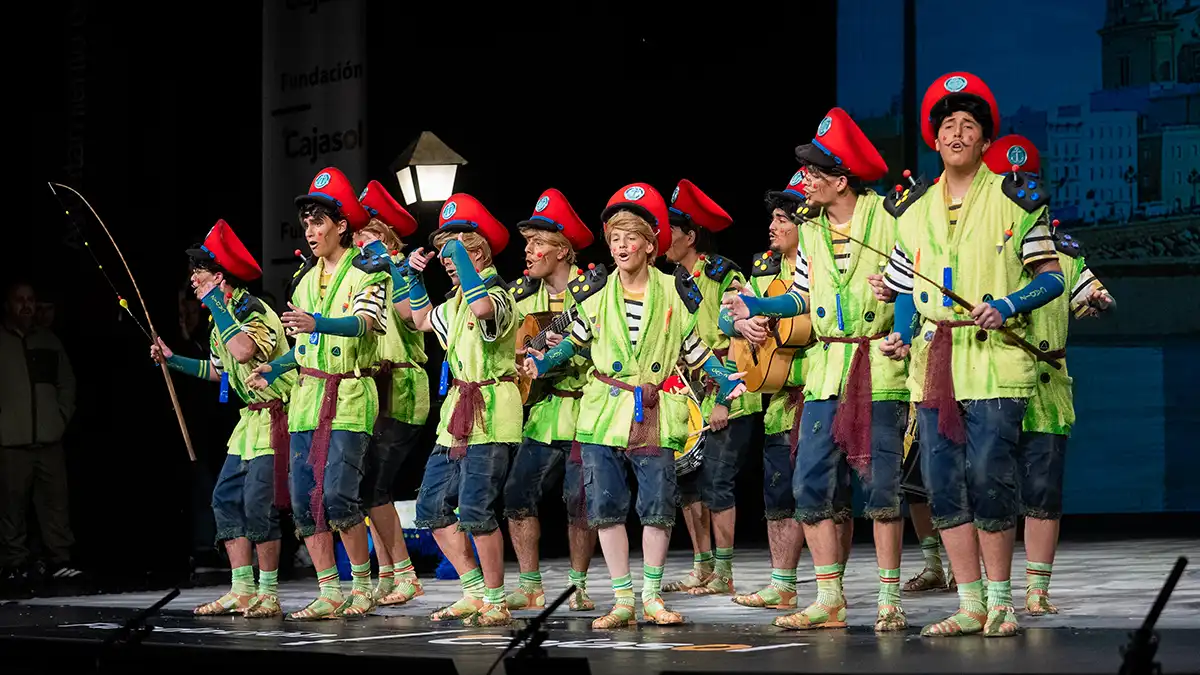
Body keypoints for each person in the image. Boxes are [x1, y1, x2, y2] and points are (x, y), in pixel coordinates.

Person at [877, 72, 1065, 638]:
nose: (957, 133)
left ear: (986, 142)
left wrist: (1007, 304)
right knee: (942, 482)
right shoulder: (910, 210)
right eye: (948, 125)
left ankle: (1003, 601)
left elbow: (1052, 278)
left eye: (969, 126)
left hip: (996, 360)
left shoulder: (1015, 197)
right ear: (935, 141)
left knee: (989, 475)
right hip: (934, 363)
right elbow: (907, 288)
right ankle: (970, 602)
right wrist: (902, 333)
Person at [521, 183, 747, 628]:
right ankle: (622, 599)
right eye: (615, 238)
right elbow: (574, 343)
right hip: (605, 410)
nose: (622, 246)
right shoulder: (597, 292)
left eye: (631, 238)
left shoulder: (673, 290)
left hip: (655, 410)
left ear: (649, 243)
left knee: (659, 505)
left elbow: (693, 347)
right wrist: (542, 360)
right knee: (605, 505)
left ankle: (650, 597)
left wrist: (722, 381)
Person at [723, 108, 910, 632]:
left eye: (813, 174)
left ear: (840, 180)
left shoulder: (888, 217)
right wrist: (758, 307)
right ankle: (830, 599)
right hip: (826, 368)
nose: (804, 182)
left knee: (881, 489)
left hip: (878, 365)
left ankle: (889, 598)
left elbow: (918, 279)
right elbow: (802, 295)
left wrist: (905, 324)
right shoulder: (809, 232)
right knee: (809, 485)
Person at [247, 167, 390, 620]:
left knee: (340, 496)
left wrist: (319, 323)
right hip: (307, 400)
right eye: (306, 223)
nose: (310, 231)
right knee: (306, 498)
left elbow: (366, 323)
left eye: (319, 222)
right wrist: (275, 367)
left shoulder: (369, 272)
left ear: (341, 225)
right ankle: (329, 589)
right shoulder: (305, 280)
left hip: (348, 396)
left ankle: (362, 586)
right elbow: (305, 345)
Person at [982, 136, 1114, 616]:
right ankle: (988, 591)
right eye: (1009, 181)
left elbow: (1086, 290)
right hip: (993, 378)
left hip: (1047, 384)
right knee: (988, 485)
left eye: (1027, 181)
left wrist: (1096, 300)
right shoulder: (983, 244)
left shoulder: (1063, 250)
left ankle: (1037, 591)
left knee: (1042, 490)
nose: (1019, 189)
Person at [152, 219, 296, 618]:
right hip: (248, 422)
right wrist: (172, 360)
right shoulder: (221, 319)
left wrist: (216, 303)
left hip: (277, 418)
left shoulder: (253, 309)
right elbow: (221, 371)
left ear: (219, 277)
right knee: (225, 498)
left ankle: (267, 593)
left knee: (258, 505)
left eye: (199, 276)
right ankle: (241, 588)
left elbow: (246, 351)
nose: (193, 284)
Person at [404, 193, 521, 627]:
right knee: (431, 507)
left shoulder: (498, 294)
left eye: (456, 249)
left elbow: (484, 309)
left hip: (492, 412)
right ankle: (473, 591)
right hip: (455, 416)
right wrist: (411, 279)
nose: (447, 259)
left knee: (475, 511)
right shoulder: (453, 303)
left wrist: (466, 268)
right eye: (444, 251)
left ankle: (496, 599)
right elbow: (418, 320)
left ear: (478, 252)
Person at [660, 179, 760, 597]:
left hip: (728, 393)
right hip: (688, 395)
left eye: (670, 230)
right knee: (688, 484)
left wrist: (721, 400)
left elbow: (738, 338)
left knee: (718, 482)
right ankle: (702, 566)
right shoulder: (669, 279)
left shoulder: (723, 273)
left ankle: (723, 572)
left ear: (690, 236)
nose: (662, 238)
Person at [503, 188, 599, 612]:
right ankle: (529, 585)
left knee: (581, 503)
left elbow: (616, 345)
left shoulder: (595, 293)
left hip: (586, 409)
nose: (529, 250)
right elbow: (503, 348)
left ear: (562, 250)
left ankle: (576, 586)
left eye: (538, 242)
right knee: (516, 496)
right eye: (527, 242)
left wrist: (577, 346)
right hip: (542, 412)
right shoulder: (521, 298)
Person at [728, 171, 812, 610]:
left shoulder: (823, 267)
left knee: (826, 495)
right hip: (779, 399)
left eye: (783, 219)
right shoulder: (764, 270)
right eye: (773, 218)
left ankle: (831, 588)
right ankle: (782, 584)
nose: (772, 226)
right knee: (778, 493)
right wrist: (744, 323)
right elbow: (727, 316)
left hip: (817, 393)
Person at [355, 180, 428, 606]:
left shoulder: (401, 271)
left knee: (375, 486)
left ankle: (405, 573)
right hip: (373, 389)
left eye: (366, 233)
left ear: (385, 238)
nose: (358, 241)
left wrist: (392, 268)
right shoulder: (365, 275)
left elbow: (409, 315)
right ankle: (387, 574)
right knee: (373, 488)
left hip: (401, 387)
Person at [0, 279, 78, 587]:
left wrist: (59, 418)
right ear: (8, 304)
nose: (26, 305)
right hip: (10, 441)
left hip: (48, 439)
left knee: (55, 503)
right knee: (10, 507)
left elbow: (66, 384)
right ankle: (12, 563)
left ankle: (60, 561)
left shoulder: (48, 340)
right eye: (19, 299)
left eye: (30, 299)